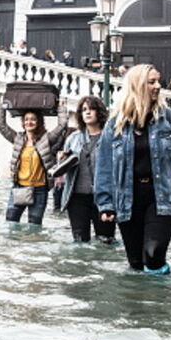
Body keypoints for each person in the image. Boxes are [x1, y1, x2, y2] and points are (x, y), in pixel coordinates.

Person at [94, 64, 171, 274]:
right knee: (135, 263)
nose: (158, 86)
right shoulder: (115, 124)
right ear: (138, 86)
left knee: (152, 255)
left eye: (158, 81)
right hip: (127, 200)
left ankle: (162, 300)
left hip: (163, 197)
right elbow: (104, 166)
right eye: (152, 82)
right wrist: (105, 203)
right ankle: (142, 305)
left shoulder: (170, 119)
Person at [0, 97, 69, 227]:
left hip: (39, 190)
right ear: (23, 123)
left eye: (33, 119)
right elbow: (1, 125)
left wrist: (61, 108)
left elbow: (61, 126)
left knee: (34, 227)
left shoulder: (46, 139)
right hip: (19, 187)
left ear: (39, 122)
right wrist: (2, 105)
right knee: (10, 224)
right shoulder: (17, 138)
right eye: (27, 120)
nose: (29, 122)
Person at [59, 96, 115, 243]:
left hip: (103, 198)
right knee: (79, 241)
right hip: (77, 197)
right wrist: (63, 159)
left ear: (99, 112)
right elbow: (64, 168)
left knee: (106, 240)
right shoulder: (73, 138)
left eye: (92, 109)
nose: (87, 113)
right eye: (84, 110)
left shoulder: (111, 137)